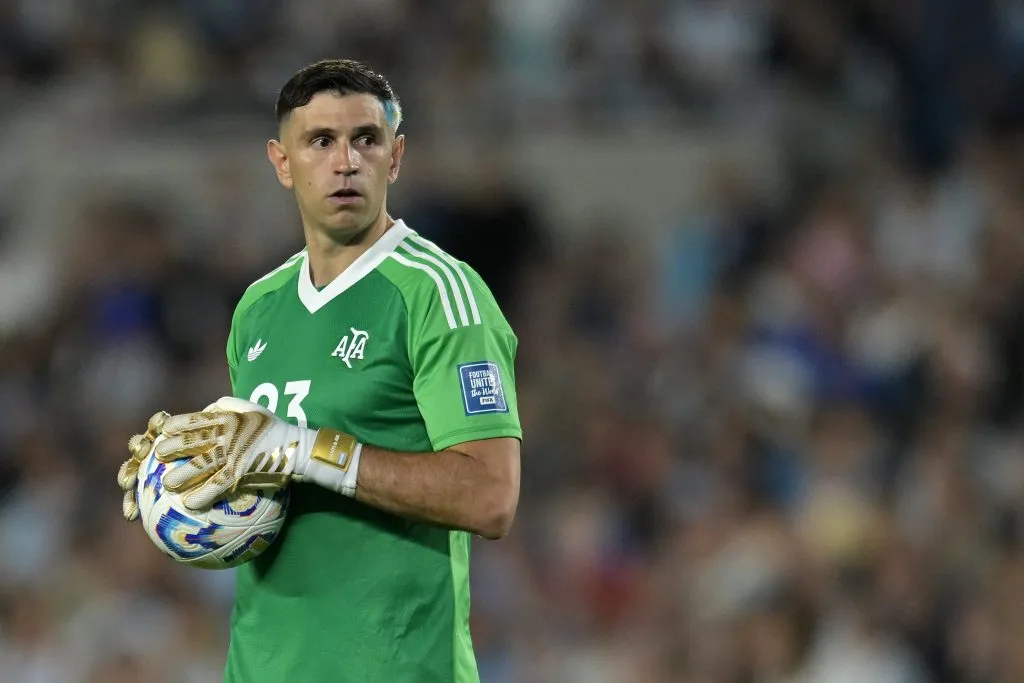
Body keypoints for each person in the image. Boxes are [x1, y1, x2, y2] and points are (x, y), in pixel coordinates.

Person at [116, 59, 522, 683]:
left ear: (395, 157)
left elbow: (490, 497)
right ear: (282, 162)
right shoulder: (258, 306)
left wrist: (309, 452)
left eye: (366, 139)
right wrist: (179, 485)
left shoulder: (439, 293)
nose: (346, 162)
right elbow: (260, 497)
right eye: (321, 141)